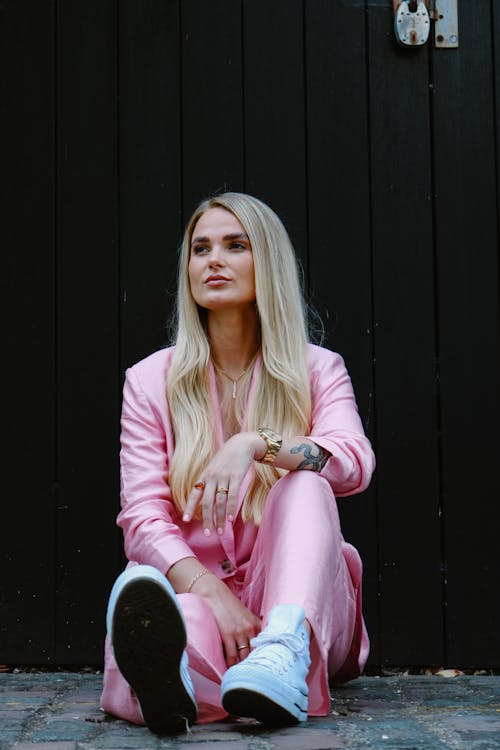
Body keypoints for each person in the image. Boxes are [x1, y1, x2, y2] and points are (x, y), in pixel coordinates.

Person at [100, 192, 375, 734]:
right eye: (200, 249)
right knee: (175, 611)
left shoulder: (317, 369)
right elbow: (143, 517)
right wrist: (211, 592)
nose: (213, 260)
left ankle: (277, 654)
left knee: (305, 484)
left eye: (235, 245)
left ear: (266, 261)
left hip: (305, 603)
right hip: (204, 591)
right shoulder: (150, 381)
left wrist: (256, 444)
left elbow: (353, 463)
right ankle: (175, 684)